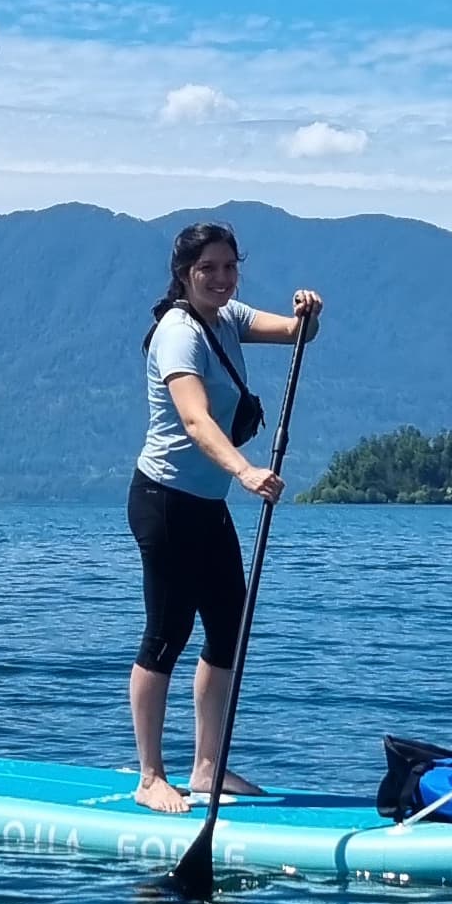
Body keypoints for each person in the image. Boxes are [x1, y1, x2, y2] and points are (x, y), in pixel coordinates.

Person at [128, 221, 322, 813]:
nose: (219, 277)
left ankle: (208, 769)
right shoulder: (178, 334)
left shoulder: (229, 317)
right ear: (184, 275)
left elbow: (296, 334)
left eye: (228, 266)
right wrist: (245, 470)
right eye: (206, 268)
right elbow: (195, 420)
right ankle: (150, 776)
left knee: (226, 632)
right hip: (164, 503)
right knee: (167, 636)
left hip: (207, 508)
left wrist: (307, 311)